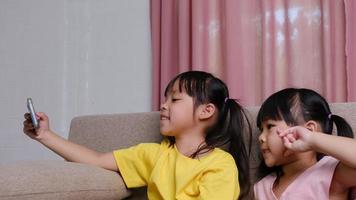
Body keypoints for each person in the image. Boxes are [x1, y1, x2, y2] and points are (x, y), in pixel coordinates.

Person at [23, 71, 252, 200]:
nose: (163, 105)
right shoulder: (153, 154)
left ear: (206, 111)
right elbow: (96, 160)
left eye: (175, 99)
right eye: (165, 99)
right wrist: (46, 135)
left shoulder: (220, 164)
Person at [254, 88, 356, 199]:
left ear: (309, 130)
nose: (261, 137)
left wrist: (312, 140)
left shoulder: (329, 173)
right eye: (261, 129)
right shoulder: (261, 187)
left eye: (269, 126)